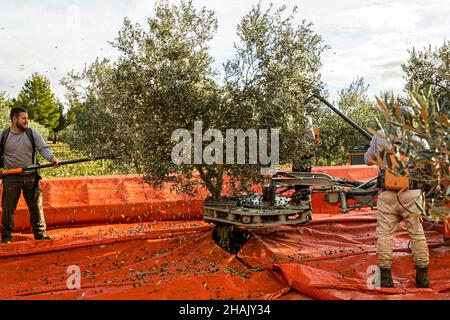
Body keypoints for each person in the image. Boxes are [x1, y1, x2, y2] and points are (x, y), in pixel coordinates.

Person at [364, 106, 430, 288]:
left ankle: (385, 278)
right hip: (412, 194)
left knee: (384, 236)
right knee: (417, 235)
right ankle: (423, 278)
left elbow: (367, 160)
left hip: (387, 194)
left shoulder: (380, 135)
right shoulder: (418, 137)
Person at [0, 107, 59, 243]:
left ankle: (40, 234)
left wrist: (52, 158)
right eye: (24, 118)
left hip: (31, 176)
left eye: (27, 118)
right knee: (8, 208)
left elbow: (43, 148)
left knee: (36, 206)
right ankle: (7, 236)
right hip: (11, 177)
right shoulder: (3, 136)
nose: (27, 121)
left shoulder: (32, 133)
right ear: (14, 119)